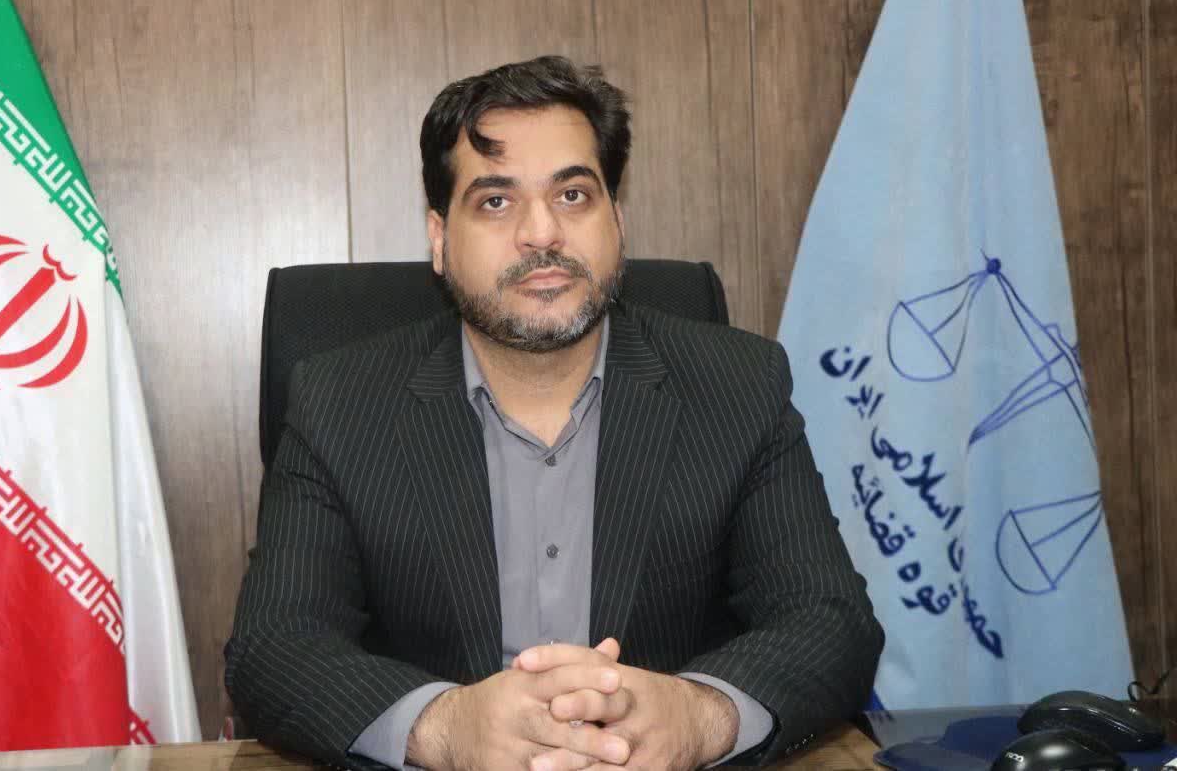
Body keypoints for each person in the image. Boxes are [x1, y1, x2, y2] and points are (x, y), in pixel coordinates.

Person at [225, 56, 883, 771]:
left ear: (617, 221)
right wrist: (442, 727)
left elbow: (830, 622)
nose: (542, 233)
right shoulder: (339, 404)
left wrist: (699, 715)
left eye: (573, 195)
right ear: (439, 239)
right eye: (495, 201)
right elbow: (273, 648)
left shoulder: (737, 386)